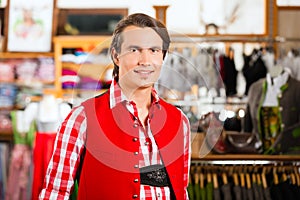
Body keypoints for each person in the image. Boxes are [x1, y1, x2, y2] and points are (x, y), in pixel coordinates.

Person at [39, 13, 191, 199]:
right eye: (134, 50)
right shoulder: (82, 118)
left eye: (154, 50)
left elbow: (181, 191)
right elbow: (56, 192)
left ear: (162, 57)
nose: (145, 60)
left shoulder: (180, 121)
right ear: (116, 56)